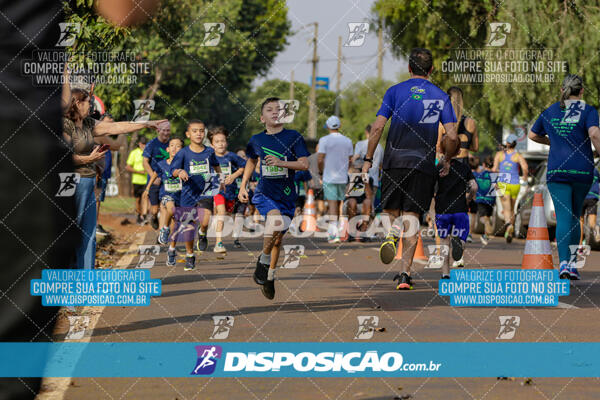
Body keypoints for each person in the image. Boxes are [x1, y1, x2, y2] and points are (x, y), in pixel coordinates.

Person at [362, 47, 459, 290]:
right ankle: (405, 275)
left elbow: (377, 128)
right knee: (413, 218)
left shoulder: (394, 92)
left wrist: (368, 158)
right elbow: (453, 135)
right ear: (431, 69)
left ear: (408, 68)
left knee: (391, 211)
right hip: (423, 165)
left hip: (395, 162)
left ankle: (392, 231)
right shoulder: (440, 96)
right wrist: (446, 158)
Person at [62, 87, 165, 270]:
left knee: (89, 234)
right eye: (88, 102)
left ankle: (86, 280)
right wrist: (88, 159)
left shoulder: (88, 124)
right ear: (77, 103)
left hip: (88, 182)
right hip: (68, 182)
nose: (91, 107)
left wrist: (147, 123)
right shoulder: (65, 124)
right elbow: (61, 157)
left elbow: (117, 126)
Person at [529, 74, 600, 280]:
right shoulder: (588, 110)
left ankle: (563, 265)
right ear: (582, 91)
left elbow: (533, 135)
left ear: (562, 90)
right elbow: (595, 134)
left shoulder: (550, 111)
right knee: (575, 216)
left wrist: (552, 142)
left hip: (557, 171)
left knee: (563, 217)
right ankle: (573, 264)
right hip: (582, 172)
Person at [238, 97, 310, 300]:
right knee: (275, 221)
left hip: (287, 196)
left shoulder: (294, 137)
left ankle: (269, 275)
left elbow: (304, 164)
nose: (275, 112)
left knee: (277, 240)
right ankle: (264, 259)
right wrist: (243, 185)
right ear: (262, 118)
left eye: (278, 109)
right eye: (269, 110)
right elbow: (251, 161)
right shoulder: (257, 140)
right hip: (264, 193)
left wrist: (281, 163)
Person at [171, 120, 221, 271]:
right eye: (195, 131)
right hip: (187, 193)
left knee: (205, 220)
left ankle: (203, 232)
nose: (198, 133)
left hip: (206, 190)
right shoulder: (183, 153)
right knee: (188, 226)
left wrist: (221, 178)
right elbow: (173, 170)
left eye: (201, 131)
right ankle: (190, 255)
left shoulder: (209, 151)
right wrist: (180, 172)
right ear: (188, 134)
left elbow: (216, 165)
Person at [434, 147, 478, 276]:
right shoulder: (464, 168)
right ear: (459, 152)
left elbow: (432, 190)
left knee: (443, 241)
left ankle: (445, 274)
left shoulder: (438, 168)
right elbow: (474, 187)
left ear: (442, 151)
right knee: (462, 236)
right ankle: (459, 243)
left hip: (442, 210)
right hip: (460, 209)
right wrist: (468, 199)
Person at [144, 138, 184, 264]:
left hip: (181, 197)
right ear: (167, 149)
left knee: (176, 224)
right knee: (170, 208)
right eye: (172, 145)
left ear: (182, 150)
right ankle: (164, 229)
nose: (174, 148)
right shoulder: (162, 164)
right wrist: (147, 188)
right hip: (166, 195)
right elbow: (155, 174)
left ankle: (171, 250)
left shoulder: (184, 164)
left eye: (178, 146)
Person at [209, 126, 246, 253]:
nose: (221, 144)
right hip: (216, 190)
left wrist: (234, 176)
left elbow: (244, 167)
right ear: (212, 144)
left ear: (227, 142)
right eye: (217, 142)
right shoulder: (209, 156)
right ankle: (218, 243)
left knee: (226, 215)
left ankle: (213, 222)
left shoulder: (232, 156)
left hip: (230, 192)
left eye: (223, 141)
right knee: (221, 211)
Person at [317, 116, 354, 243]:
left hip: (329, 177)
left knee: (332, 205)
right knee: (339, 205)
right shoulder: (348, 141)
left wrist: (321, 171)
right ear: (339, 126)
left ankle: (334, 234)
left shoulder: (324, 140)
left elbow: (320, 159)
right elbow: (350, 160)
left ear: (328, 126)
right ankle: (340, 231)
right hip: (342, 177)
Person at [492, 134, 528, 243]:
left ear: (507, 143)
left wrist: (496, 179)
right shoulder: (518, 156)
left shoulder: (499, 155)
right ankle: (510, 227)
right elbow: (525, 168)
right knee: (512, 208)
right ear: (515, 144)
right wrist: (525, 178)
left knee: (506, 208)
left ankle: (508, 225)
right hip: (515, 184)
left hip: (503, 183)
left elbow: (494, 169)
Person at [94, 113, 125, 236]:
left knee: (98, 200)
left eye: (111, 124)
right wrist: (123, 131)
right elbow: (116, 146)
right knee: (95, 200)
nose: (110, 126)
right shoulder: (98, 134)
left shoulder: (104, 137)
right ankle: (94, 224)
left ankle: (95, 223)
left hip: (103, 173)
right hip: (96, 173)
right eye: (108, 123)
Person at [352, 123, 384, 225]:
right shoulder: (380, 147)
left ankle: (356, 226)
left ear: (366, 132)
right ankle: (369, 227)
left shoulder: (360, 144)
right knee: (370, 204)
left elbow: (354, 159)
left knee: (357, 202)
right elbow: (381, 165)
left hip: (360, 178)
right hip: (374, 179)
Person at [143, 120, 172, 229]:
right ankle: (153, 217)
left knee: (164, 206)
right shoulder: (152, 144)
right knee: (155, 209)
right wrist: (153, 177)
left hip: (167, 181)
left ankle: (161, 233)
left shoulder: (172, 144)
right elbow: (145, 162)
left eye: (168, 130)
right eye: (163, 130)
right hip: (154, 180)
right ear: (158, 130)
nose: (166, 133)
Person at [126, 136, 148, 224]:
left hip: (147, 180)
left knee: (145, 198)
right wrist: (138, 171)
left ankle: (145, 215)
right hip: (137, 180)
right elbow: (127, 167)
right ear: (139, 144)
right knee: (138, 199)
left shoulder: (149, 153)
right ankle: (139, 215)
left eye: (146, 144)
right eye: (143, 144)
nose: (144, 146)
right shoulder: (134, 153)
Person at [474, 156, 496, 245]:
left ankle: (486, 223)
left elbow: (474, 186)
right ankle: (485, 236)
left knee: (483, 217)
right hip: (491, 200)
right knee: (488, 216)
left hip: (480, 199)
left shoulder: (478, 174)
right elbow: (498, 188)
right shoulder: (495, 175)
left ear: (483, 164)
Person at [580, 164, 600, 245]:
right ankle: (596, 229)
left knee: (580, 221)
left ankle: (580, 244)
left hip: (581, 197)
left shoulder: (579, 170)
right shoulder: (595, 171)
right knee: (592, 222)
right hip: (592, 198)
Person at [307, 144, 326, 219]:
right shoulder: (325, 158)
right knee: (321, 201)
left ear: (316, 149)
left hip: (312, 183)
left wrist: (309, 180)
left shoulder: (309, 158)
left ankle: (314, 218)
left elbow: (306, 170)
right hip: (322, 183)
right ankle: (319, 217)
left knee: (312, 201)